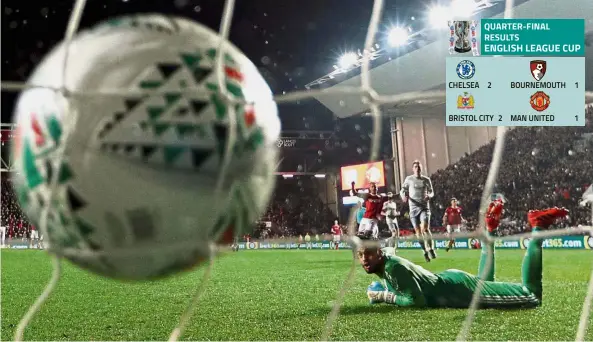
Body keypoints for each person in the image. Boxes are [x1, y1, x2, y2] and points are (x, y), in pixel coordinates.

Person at [358, 203, 568, 308]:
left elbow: (416, 301)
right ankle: (490, 230)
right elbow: (389, 251)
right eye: (360, 255)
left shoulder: (392, 267)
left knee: (531, 296)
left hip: (460, 291)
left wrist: (383, 296)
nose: (364, 259)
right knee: (486, 282)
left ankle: (538, 226)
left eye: (368, 253)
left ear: (378, 252)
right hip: (451, 282)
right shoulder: (386, 258)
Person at [400, 160, 435, 262]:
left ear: (421, 168)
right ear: (413, 169)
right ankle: (425, 251)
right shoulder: (409, 179)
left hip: (424, 207)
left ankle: (431, 248)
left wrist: (429, 196)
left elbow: (432, 191)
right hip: (413, 209)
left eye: (419, 166)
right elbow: (402, 190)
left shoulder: (426, 179)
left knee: (425, 229)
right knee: (418, 233)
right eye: (415, 166)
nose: (417, 168)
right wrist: (403, 197)